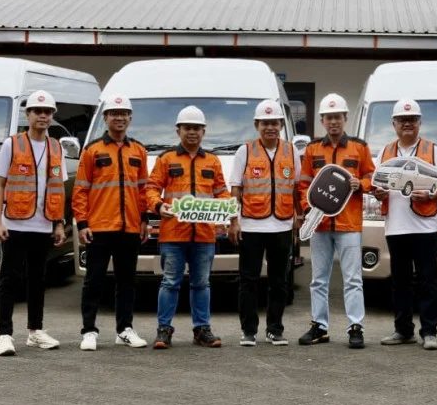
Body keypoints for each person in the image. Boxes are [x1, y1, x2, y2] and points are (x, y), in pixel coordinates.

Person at [145, 105, 232, 350]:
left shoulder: (213, 161)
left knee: (201, 283)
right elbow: (151, 188)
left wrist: (225, 206)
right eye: (187, 128)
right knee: (170, 282)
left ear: (204, 131)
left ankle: (202, 329)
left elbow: (221, 191)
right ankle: (164, 330)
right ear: (178, 130)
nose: (192, 132)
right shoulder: (166, 158)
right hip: (173, 233)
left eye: (196, 128)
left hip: (204, 235)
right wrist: (158, 205)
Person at [0, 90, 66, 357]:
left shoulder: (56, 146)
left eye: (48, 112)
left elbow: (58, 187)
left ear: (52, 116)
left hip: (43, 225)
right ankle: (4, 334)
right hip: (15, 223)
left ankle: (35, 331)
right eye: (38, 111)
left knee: (38, 280)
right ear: (28, 115)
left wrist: (59, 224)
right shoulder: (12, 144)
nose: (43, 116)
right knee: (9, 279)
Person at [374, 98, 437, 351]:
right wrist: (378, 193)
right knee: (400, 282)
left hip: (425, 226)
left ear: (419, 123)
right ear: (394, 124)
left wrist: (432, 195)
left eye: (412, 120)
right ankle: (403, 330)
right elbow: (377, 184)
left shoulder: (433, 150)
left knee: (427, 280)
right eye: (402, 120)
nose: (407, 124)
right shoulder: (385, 152)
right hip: (395, 227)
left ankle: (429, 332)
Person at [297, 93, 375, 349]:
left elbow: (372, 176)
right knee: (318, 278)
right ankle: (319, 326)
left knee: (353, 279)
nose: (333, 122)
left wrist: (360, 183)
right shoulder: (312, 149)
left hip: (348, 224)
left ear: (345, 118)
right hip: (319, 226)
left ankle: (356, 327)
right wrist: (307, 207)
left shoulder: (359, 147)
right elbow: (304, 183)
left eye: (338, 117)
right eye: (329, 118)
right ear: (322, 120)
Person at [74, 94, 150, 351]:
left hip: (129, 227)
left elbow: (143, 191)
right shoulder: (92, 151)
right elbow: (81, 190)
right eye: (113, 114)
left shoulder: (139, 151)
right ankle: (88, 331)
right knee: (93, 280)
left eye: (124, 113)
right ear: (105, 118)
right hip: (99, 227)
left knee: (127, 281)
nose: (119, 118)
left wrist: (144, 220)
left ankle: (124, 329)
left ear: (130, 118)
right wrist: (82, 223)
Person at [229, 99, 300, 346]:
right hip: (251, 226)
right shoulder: (245, 151)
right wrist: (233, 221)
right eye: (265, 123)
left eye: (274, 122)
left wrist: (297, 219)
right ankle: (248, 331)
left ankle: (275, 329)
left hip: (281, 226)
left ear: (281, 124)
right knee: (248, 281)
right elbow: (235, 189)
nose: (270, 127)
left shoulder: (291, 151)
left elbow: (296, 189)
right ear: (256, 124)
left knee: (279, 282)